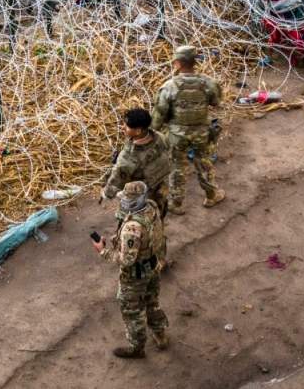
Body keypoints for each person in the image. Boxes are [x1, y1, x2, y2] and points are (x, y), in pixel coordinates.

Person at [93, 180, 168, 359]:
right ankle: (160, 335)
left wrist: (103, 251)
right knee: (152, 302)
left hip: (134, 276)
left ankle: (137, 347)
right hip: (153, 265)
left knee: (132, 311)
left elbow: (126, 260)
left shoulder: (131, 228)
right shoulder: (151, 207)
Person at [151, 45, 224, 214]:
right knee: (204, 163)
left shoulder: (169, 86)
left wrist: (151, 133)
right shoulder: (208, 82)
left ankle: (176, 204)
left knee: (177, 167)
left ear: (177, 63)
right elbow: (216, 101)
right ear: (194, 62)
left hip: (177, 134)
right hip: (201, 132)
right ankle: (211, 195)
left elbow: (159, 114)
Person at [104, 107, 173, 216]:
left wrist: (106, 193)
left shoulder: (129, 157)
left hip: (142, 198)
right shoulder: (160, 137)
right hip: (162, 188)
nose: (123, 128)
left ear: (138, 131)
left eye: (127, 126)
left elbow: (115, 182)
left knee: (136, 224)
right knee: (158, 217)